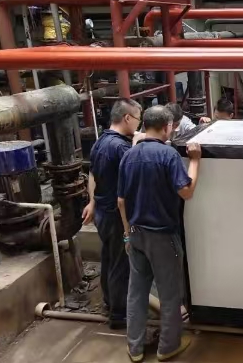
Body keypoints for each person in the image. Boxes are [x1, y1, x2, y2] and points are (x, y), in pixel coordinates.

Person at [118, 106, 201, 362]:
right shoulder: (168, 155)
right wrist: (195, 160)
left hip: (136, 234)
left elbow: (121, 201)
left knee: (137, 292)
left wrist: (127, 235)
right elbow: (186, 191)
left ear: (144, 124)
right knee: (169, 294)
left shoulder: (128, 156)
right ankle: (167, 347)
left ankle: (135, 348)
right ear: (167, 127)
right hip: (163, 237)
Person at [82, 98, 142, 329]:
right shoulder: (121, 147)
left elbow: (93, 175)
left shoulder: (100, 142)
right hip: (116, 215)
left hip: (102, 212)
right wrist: (137, 143)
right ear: (127, 118)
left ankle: (109, 301)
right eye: (137, 119)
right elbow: (136, 170)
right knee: (121, 263)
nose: (138, 124)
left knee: (108, 258)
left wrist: (92, 202)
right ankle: (119, 315)